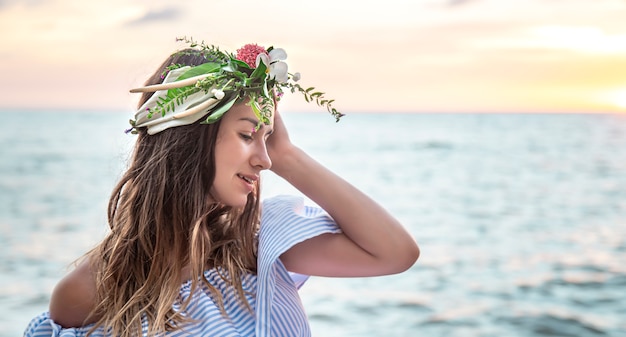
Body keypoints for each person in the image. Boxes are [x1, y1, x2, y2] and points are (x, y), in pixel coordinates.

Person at [23, 38, 419, 337]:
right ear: (190, 137)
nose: (265, 160)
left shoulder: (255, 247)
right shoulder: (91, 292)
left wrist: (288, 156)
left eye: (268, 139)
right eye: (248, 135)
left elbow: (394, 253)